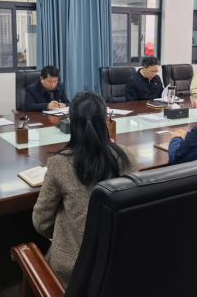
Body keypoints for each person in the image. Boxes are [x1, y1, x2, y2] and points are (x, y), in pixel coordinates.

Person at [32, 91, 139, 286]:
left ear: (71, 123)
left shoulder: (59, 164)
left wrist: (68, 232)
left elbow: (41, 223)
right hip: (121, 265)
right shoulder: (126, 156)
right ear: (105, 120)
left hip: (74, 273)